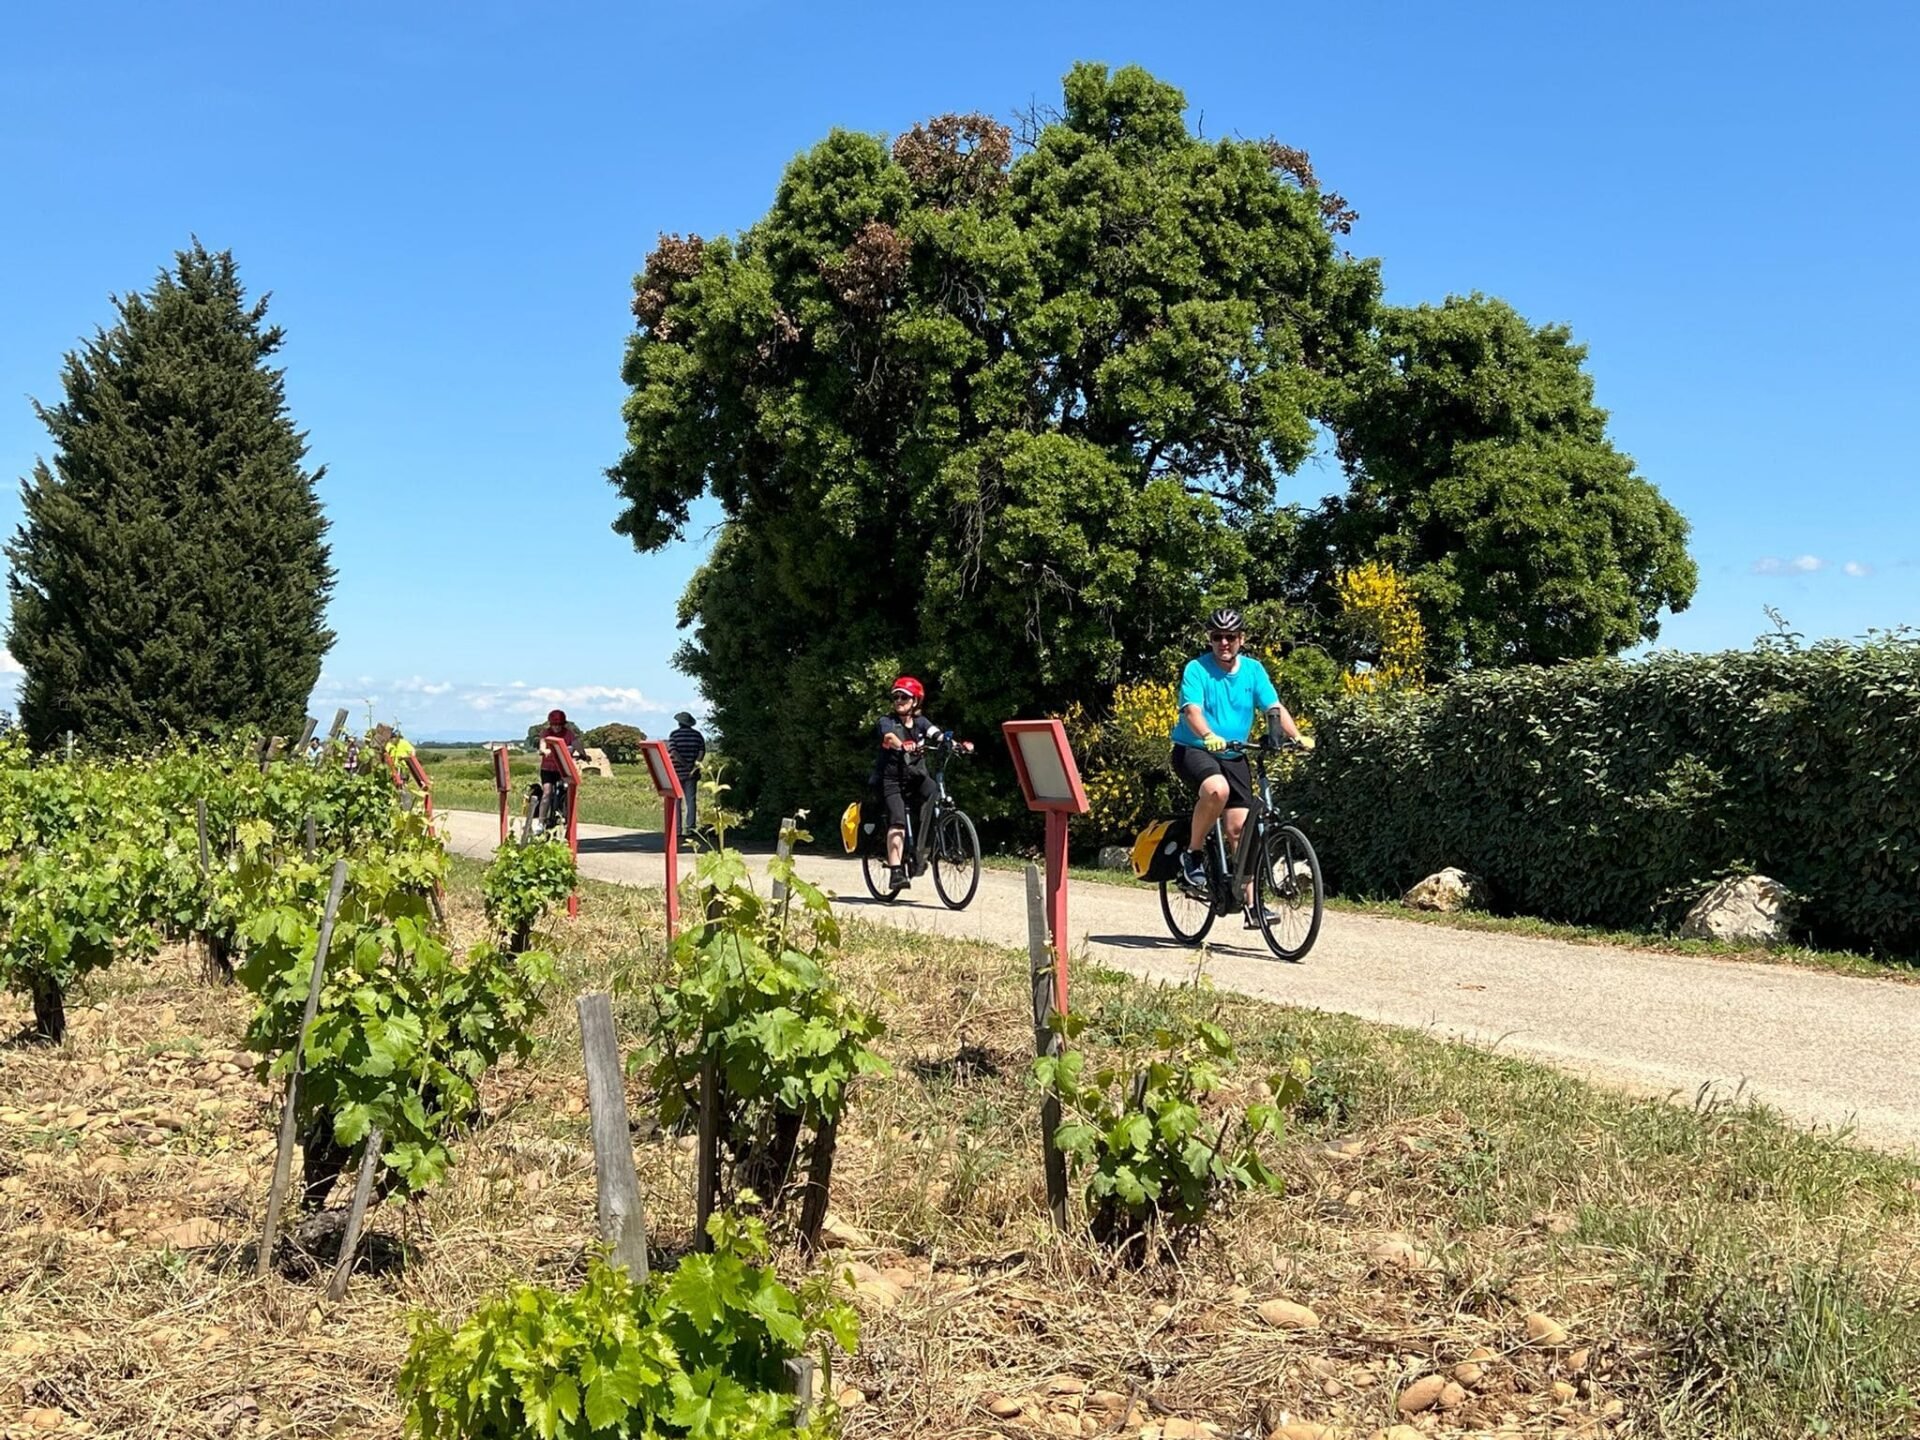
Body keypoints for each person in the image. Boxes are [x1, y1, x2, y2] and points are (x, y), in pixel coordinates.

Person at [1168, 608, 1305, 927]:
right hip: (1195, 749)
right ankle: (1194, 854)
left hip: (1235, 754)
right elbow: (1191, 710)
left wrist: (1296, 736)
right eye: (1217, 637)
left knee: (1241, 830)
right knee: (1217, 789)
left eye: (1230, 637)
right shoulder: (1196, 669)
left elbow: (1273, 705)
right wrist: (1208, 735)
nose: (1224, 642)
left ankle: (1252, 905)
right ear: (1210, 639)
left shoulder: (1254, 671)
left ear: (1241, 639)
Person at [872, 675, 959, 893]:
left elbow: (936, 734)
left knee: (934, 794)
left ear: (915, 701)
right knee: (898, 821)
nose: (899, 700)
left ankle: (924, 847)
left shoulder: (921, 722)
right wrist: (903, 745)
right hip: (891, 780)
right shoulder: (887, 721)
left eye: (904, 697)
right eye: (896, 697)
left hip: (915, 777)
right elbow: (890, 737)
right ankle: (896, 872)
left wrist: (956, 745)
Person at [536, 709, 581, 827]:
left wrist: (583, 753)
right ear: (550, 724)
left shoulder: (568, 733)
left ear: (563, 724)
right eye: (554, 725)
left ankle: (566, 815)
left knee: (568, 789)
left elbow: (576, 744)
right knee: (547, 792)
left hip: (562, 768)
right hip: (548, 768)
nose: (557, 727)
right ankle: (541, 822)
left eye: (559, 725)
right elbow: (542, 745)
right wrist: (545, 751)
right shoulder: (546, 733)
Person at [666, 711, 707, 837]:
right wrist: (694, 766)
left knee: (677, 801)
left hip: (677, 772)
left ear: (679, 723)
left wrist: (684, 764)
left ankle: (677, 830)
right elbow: (701, 752)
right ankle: (691, 828)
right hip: (692, 773)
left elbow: (673, 753)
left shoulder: (674, 735)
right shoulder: (697, 735)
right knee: (691, 800)